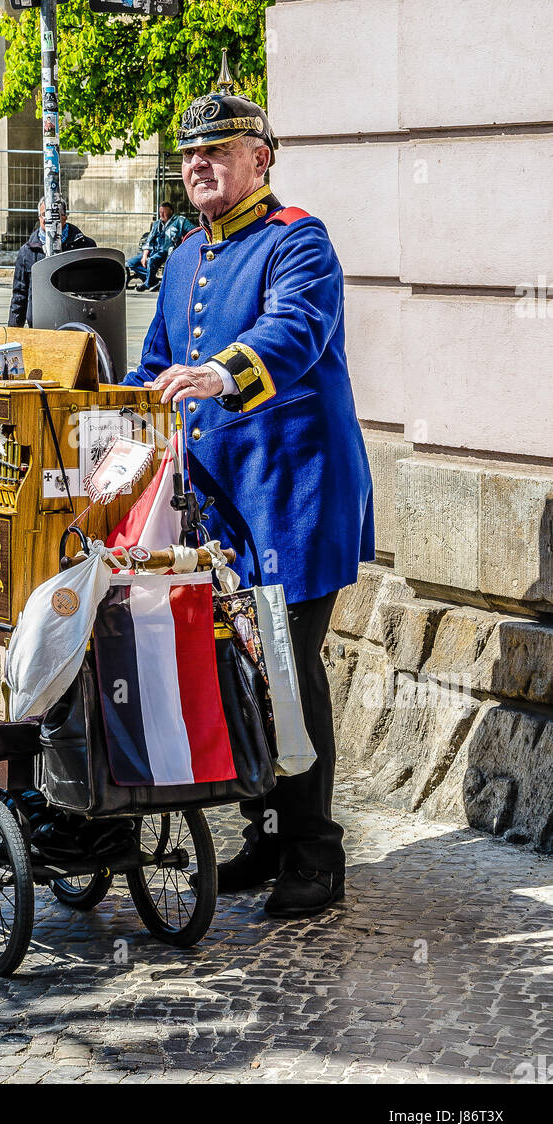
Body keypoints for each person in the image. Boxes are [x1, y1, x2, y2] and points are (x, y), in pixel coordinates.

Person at [123, 62, 374, 920]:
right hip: (222, 504)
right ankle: (265, 834)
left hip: (294, 497)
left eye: (218, 151)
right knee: (241, 666)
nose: (199, 165)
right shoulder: (187, 249)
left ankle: (314, 852)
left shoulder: (299, 238)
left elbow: (294, 330)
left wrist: (220, 375)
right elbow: (157, 363)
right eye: (189, 154)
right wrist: (110, 410)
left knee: (289, 668)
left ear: (260, 158)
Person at [8, 197, 97, 328]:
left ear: (64, 217)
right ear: (39, 217)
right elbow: (19, 295)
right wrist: (13, 332)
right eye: (44, 215)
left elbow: (94, 291)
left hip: (75, 323)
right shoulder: (27, 251)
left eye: (53, 215)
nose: (48, 220)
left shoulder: (84, 246)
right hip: (40, 324)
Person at [126, 202, 195, 291]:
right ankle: (153, 281)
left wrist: (184, 242)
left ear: (170, 211)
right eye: (160, 212)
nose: (161, 214)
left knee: (152, 260)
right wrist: (144, 255)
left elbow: (194, 231)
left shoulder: (180, 221)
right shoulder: (157, 224)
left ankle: (148, 283)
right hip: (154, 250)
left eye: (164, 212)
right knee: (131, 263)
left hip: (168, 251)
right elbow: (149, 241)